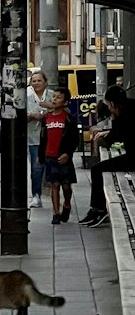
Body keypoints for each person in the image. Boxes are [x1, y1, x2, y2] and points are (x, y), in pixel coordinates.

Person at [81, 83, 135, 227]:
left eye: (109, 105)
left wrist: (103, 134)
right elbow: (118, 133)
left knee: (97, 169)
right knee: (99, 169)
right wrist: (108, 131)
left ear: (112, 103)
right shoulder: (130, 108)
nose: (109, 109)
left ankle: (99, 209)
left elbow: (109, 141)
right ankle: (95, 209)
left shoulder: (123, 116)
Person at [39, 85, 79, 224]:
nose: (55, 99)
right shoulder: (46, 118)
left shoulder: (69, 119)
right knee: (54, 184)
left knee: (66, 186)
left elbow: (75, 139)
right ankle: (56, 213)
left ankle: (67, 204)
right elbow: (43, 137)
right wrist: (41, 155)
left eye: (59, 97)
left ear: (66, 102)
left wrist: (68, 153)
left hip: (64, 157)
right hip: (50, 156)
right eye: (54, 97)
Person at [26, 70, 52, 208]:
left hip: (52, 135)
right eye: (33, 81)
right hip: (34, 137)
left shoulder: (52, 95)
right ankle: (36, 195)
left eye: (39, 80)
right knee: (36, 167)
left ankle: (56, 194)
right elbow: (18, 116)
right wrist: (31, 115)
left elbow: (62, 109)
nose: (36, 83)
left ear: (45, 82)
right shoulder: (26, 95)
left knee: (53, 167)